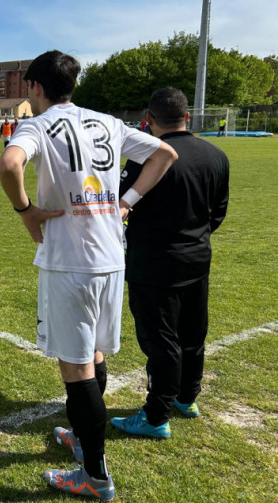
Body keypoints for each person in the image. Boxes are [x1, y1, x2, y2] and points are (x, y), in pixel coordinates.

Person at [0, 50, 177, 501]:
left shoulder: (37, 124)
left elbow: (10, 164)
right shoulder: (107, 122)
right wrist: (126, 201)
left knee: (75, 367)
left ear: (35, 88)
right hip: (111, 256)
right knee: (94, 354)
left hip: (69, 262)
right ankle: (82, 439)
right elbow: (166, 153)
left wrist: (26, 211)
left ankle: (95, 476)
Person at [110, 87, 229, 440]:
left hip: (155, 263)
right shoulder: (216, 155)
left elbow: (122, 205)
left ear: (148, 122)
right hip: (196, 257)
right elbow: (217, 213)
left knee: (160, 338)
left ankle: (156, 414)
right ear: (187, 117)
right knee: (193, 330)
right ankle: (187, 397)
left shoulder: (147, 159)